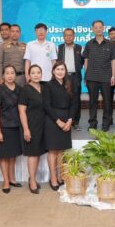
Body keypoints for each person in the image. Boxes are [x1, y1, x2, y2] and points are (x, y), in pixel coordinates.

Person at [43, 62, 78, 190]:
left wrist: (70, 120)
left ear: (65, 71)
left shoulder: (69, 84)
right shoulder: (48, 85)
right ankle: (53, 178)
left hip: (66, 118)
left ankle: (60, 176)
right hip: (52, 120)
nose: (60, 71)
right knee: (53, 150)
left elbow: (74, 103)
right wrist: (57, 121)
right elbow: (46, 105)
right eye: (57, 69)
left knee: (61, 151)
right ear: (53, 71)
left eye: (62, 69)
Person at [83, 20, 115, 131]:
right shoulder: (89, 44)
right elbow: (86, 60)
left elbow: (113, 61)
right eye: (96, 27)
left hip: (106, 77)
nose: (98, 29)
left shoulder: (110, 44)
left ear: (103, 28)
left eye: (100, 27)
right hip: (91, 77)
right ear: (93, 29)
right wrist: (86, 75)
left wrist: (113, 76)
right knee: (92, 102)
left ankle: (106, 124)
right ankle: (92, 124)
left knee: (107, 102)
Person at [0, 65, 22, 193]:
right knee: (4, 156)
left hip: (16, 127)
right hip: (4, 127)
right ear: (3, 75)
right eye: (7, 73)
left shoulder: (19, 89)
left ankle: (12, 178)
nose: (10, 75)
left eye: (12, 73)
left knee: (13, 155)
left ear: (15, 75)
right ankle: (5, 181)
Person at [18, 65, 46, 194]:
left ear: (41, 74)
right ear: (29, 75)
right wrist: (26, 129)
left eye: (38, 72)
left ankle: (32, 177)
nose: (36, 75)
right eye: (33, 73)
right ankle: (32, 181)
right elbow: (21, 111)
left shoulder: (44, 88)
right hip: (31, 125)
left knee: (38, 153)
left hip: (43, 125)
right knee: (33, 154)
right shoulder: (25, 90)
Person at [57, 28, 83, 130]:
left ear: (74, 36)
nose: (68, 37)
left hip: (75, 77)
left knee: (76, 100)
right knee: (63, 98)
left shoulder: (79, 48)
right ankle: (64, 120)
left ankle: (75, 122)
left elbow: (82, 62)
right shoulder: (59, 48)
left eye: (70, 35)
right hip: (62, 77)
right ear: (63, 37)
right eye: (66, 35)